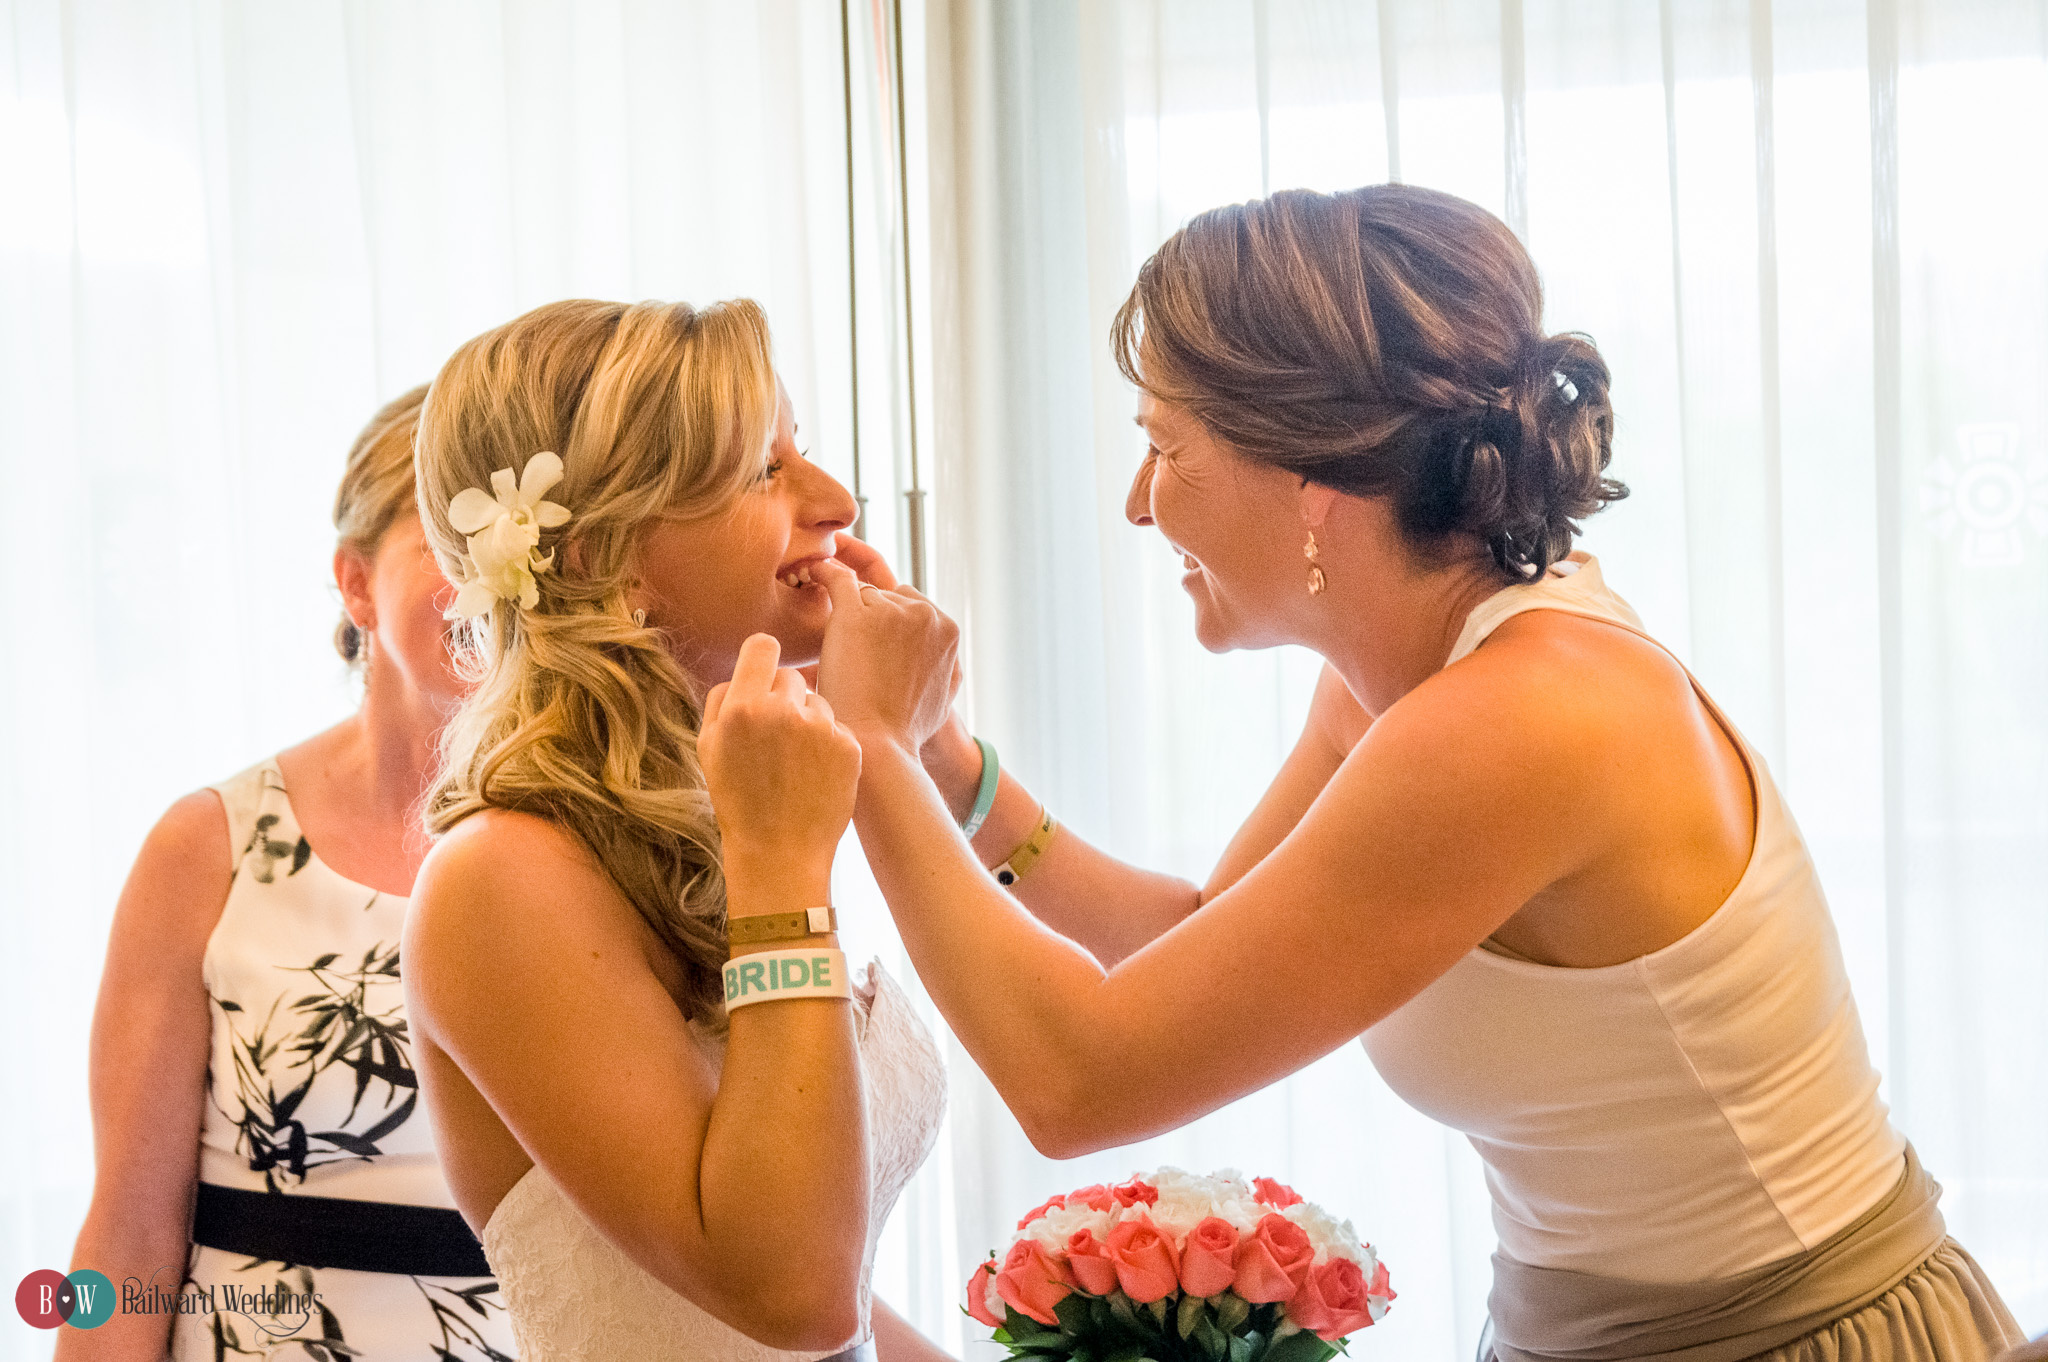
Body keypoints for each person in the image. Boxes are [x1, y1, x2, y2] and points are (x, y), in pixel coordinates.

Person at [796, 185, 2028, 1361]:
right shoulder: (1414, 679)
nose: (1134, 504)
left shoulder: (1524, 720)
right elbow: (1193, 937)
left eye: (1161, 448)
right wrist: (948, 760)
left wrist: (869, 753)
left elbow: (1080, 1080)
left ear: (1304, 478)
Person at [399, 297, 954, 1362]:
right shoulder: (501, 878)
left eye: (805, 452)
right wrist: (785, 857)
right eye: (761, 468)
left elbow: (836, 1282)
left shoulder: (715, 812)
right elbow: (790, 1294)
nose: (836, 502)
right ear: (611, 551)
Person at [62, 388, 521, 1361]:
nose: (493, 582)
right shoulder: (206, 847)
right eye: (452, 541)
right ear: (356, 583)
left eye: (519, 542)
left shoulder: (587, 850)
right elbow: (127, 1237)